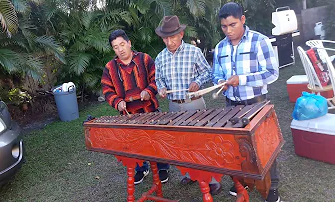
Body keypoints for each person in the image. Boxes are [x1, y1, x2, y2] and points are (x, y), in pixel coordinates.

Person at [212, 2, 280, 202]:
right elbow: (216, 74)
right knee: (237, 149)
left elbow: (272, 73)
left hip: (256, 103)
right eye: (224, 26)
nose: (228, 30)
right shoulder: (220, 46)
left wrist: (241, 79)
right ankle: (242, 182)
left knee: (264, 146)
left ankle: (272, 187)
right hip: (231, 104)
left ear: (243, 20)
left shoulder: (260, 41)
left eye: (233, 25)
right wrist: (220, 83)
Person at [154, 15, 222, 195]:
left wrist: (198, 82)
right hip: (174, 106)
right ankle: (190, 174)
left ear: (181, 34)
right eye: (165, 38)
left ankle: (212, 180)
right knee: (182, 144)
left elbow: (207, 72)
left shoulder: (193, 52)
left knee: (202, 142)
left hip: (194, 104)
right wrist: (161, 88)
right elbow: (158, 79)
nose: (169, 42)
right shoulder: (160, 58)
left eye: (172, 37)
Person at [101, 29, 170, 185]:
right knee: (134, 145)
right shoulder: (110, 68)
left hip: (150, 110)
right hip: (128, 115)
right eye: (116, 47)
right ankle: (141, 168)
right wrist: (117, 102)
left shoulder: (145, 59)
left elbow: (156, 79)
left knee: (156, 140)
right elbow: (106, 89)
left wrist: (149, 91)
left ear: (129, 43)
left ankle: (162, 167)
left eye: (122, 44)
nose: (120, 49)